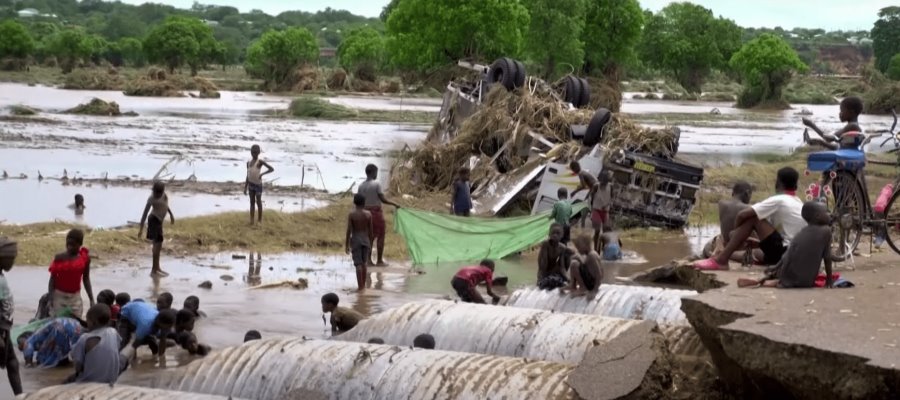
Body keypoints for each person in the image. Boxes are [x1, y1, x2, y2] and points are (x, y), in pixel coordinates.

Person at [694, 167, 805, 270]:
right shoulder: (798, 202)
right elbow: (787, 235)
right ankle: (722, 254)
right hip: (794, 253)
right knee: (755, 253)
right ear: (795, 186)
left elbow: (742, 215)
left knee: (753, 218)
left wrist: (735, 232)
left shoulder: (779, 199)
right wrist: (758, 242)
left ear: (777, 183)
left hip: (783, 251)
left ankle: (721, 260)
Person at [738, 202, 834, 289]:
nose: (830, 214)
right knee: (793, 278)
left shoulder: (801, 232)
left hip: (787, 275)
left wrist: (775, 266)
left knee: (783, 278)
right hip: (805, 282)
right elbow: (827, 257)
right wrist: (829, 281)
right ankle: (769, 282)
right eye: (827, 212)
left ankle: (765, 281)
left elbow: (788, 253)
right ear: (817, 216)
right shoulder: (826, 231)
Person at [68, 304, 127, 384]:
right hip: (111, 379)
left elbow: (78, 367)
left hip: (89, 382)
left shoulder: (84, 338)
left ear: (93, 322)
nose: (87, 322)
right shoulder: (113, 332)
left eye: (87, 320)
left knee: (68, 380)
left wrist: (72, 355)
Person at [358, 164, 401, 267]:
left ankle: (368, 260)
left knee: (369, 237)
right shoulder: (376, 184)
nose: (377, 174)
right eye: (376, 172)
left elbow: (359, 202)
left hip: (365, 213)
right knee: (380, 236)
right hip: (375, 213)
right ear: (373, 172)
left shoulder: (361, 186)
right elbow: (383, 199)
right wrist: (394, 203)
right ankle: (379, 261)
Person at [47, 229, 94, 319]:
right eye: (68, 244)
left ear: (80, 244)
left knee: (76, 323)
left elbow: (86, 279)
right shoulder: (59, 258)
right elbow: (52, 279)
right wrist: (50, 298)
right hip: (59, 296)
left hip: (75, 297)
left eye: (73, 245)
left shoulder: (84, 259)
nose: (69, 247)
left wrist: (91, 299)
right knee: (58, 323)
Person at [705, 181, 756, 262]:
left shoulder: (721, 204)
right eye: (750, 196)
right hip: (739, 250)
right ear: (747, 193)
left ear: (733, 193)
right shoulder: (748, 208)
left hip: (725, 245)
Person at [138, 181, 175, 278]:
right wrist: (141, 229)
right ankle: (153, 270)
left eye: (159, 193)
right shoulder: (151, 199)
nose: (157, 195)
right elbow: (144, 214)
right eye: (156, 193)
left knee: (159, 245)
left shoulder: (164, 195)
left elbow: (166, 205)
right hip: (153, 220)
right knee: (156, 244)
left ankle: (157, 268)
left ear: (162, 191)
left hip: (159, 222)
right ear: (153, 191)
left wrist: (171, 215)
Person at [0, 238, 22, 395]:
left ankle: (20, 395)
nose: (13, 263)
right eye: (11, 259)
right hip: (1, 328)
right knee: (11, 362)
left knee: (12, 363)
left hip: (4, 327)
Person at [18, 317, 83, 368]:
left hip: (61, 328)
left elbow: (27, 344)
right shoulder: (43, 330)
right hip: (77, 326)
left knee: (42, 360)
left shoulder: (34, 337)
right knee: (66, 350)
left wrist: (28, 363)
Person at [345, 194, 373, 292]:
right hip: (366, 240)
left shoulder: (352, 214)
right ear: (364, 203)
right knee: (364, 263)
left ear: (354, 202)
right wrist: (371, 244)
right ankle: (363, 286)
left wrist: (346, 245)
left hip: (356, 240)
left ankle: (360, 287)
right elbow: (370, 231)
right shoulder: (368, 214)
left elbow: (349, 230)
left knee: (358, 265)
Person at [244, 144, 275, 226]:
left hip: (258, 185)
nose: (254, 154)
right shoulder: (248, 163)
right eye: (252, 152)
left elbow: (271, 169)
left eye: (255, 153)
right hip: (250, 185)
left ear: (258, 153)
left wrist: (262, 174)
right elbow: (248, 175)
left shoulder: (260, 162)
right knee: (251, 203)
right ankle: (251, 221)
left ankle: (259, 221)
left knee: (258, 202)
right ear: (250, 152)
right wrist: (245, 187)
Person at [537, 224, 572, 290]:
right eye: (553, 233)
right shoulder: (545, 244)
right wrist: (540, 279)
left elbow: (562, 267)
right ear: (549, 234)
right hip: (544, 271)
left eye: (558, 233)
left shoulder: (562, 248)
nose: (555, 235)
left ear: (562, 235)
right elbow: (542, 266)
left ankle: (562, 278)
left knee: (568, 254)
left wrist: (568, 278)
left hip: (553, 271)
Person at [591, 171, 613, 252]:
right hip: (596, 210)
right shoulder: (596, 186)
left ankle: (604, 248)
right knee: (597, 231)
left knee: (605, 230)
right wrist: (591, 211)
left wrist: (607, 205)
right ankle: (596, 249)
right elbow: (591, 198)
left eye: (606, 181)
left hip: (605, 211)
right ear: (601, 179)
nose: (604, 182)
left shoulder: (611, 186)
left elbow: (611, 198)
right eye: (603, 180)